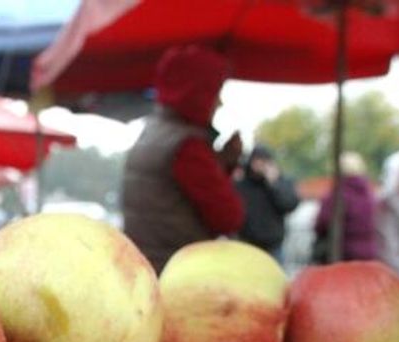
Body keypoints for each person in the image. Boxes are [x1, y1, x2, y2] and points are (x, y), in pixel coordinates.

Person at [121, 44, 244, 273]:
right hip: (177, 272)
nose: (219, 103)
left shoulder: (151, 132)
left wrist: (220, 162)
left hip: (145, 267)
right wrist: (226, 163)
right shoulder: (187, 146)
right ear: (197, 92)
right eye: (215, 92)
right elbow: (229, 216)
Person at [235, 143, 300, 261]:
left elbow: (289, 204)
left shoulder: (280, 181)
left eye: (263, 161)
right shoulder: (241, 185)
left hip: (274, 246)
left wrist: (274, 184)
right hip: (248, 246)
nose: (260, 165)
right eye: (257, 160)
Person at [313, 151, 378, 262]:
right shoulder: (370, 194)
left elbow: (322, 224)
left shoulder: (336, 196)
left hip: (343, 253)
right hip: (370, 253)